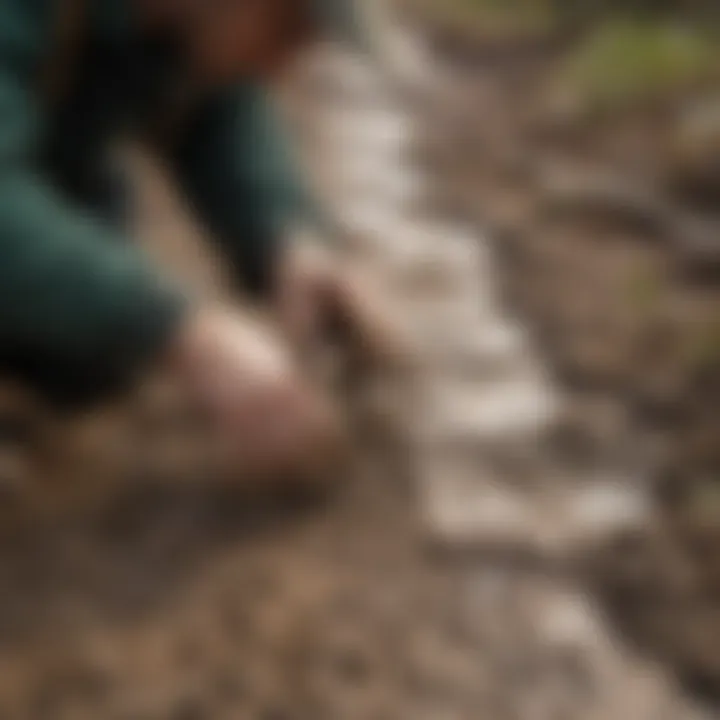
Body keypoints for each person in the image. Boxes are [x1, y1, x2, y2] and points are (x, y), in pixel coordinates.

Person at [0, 0, 383, 486]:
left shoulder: (170, 17)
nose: (285, 68)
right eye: (289, 31)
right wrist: (180, 330)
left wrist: (286, 241)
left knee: (83, 356)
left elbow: (210, 106)